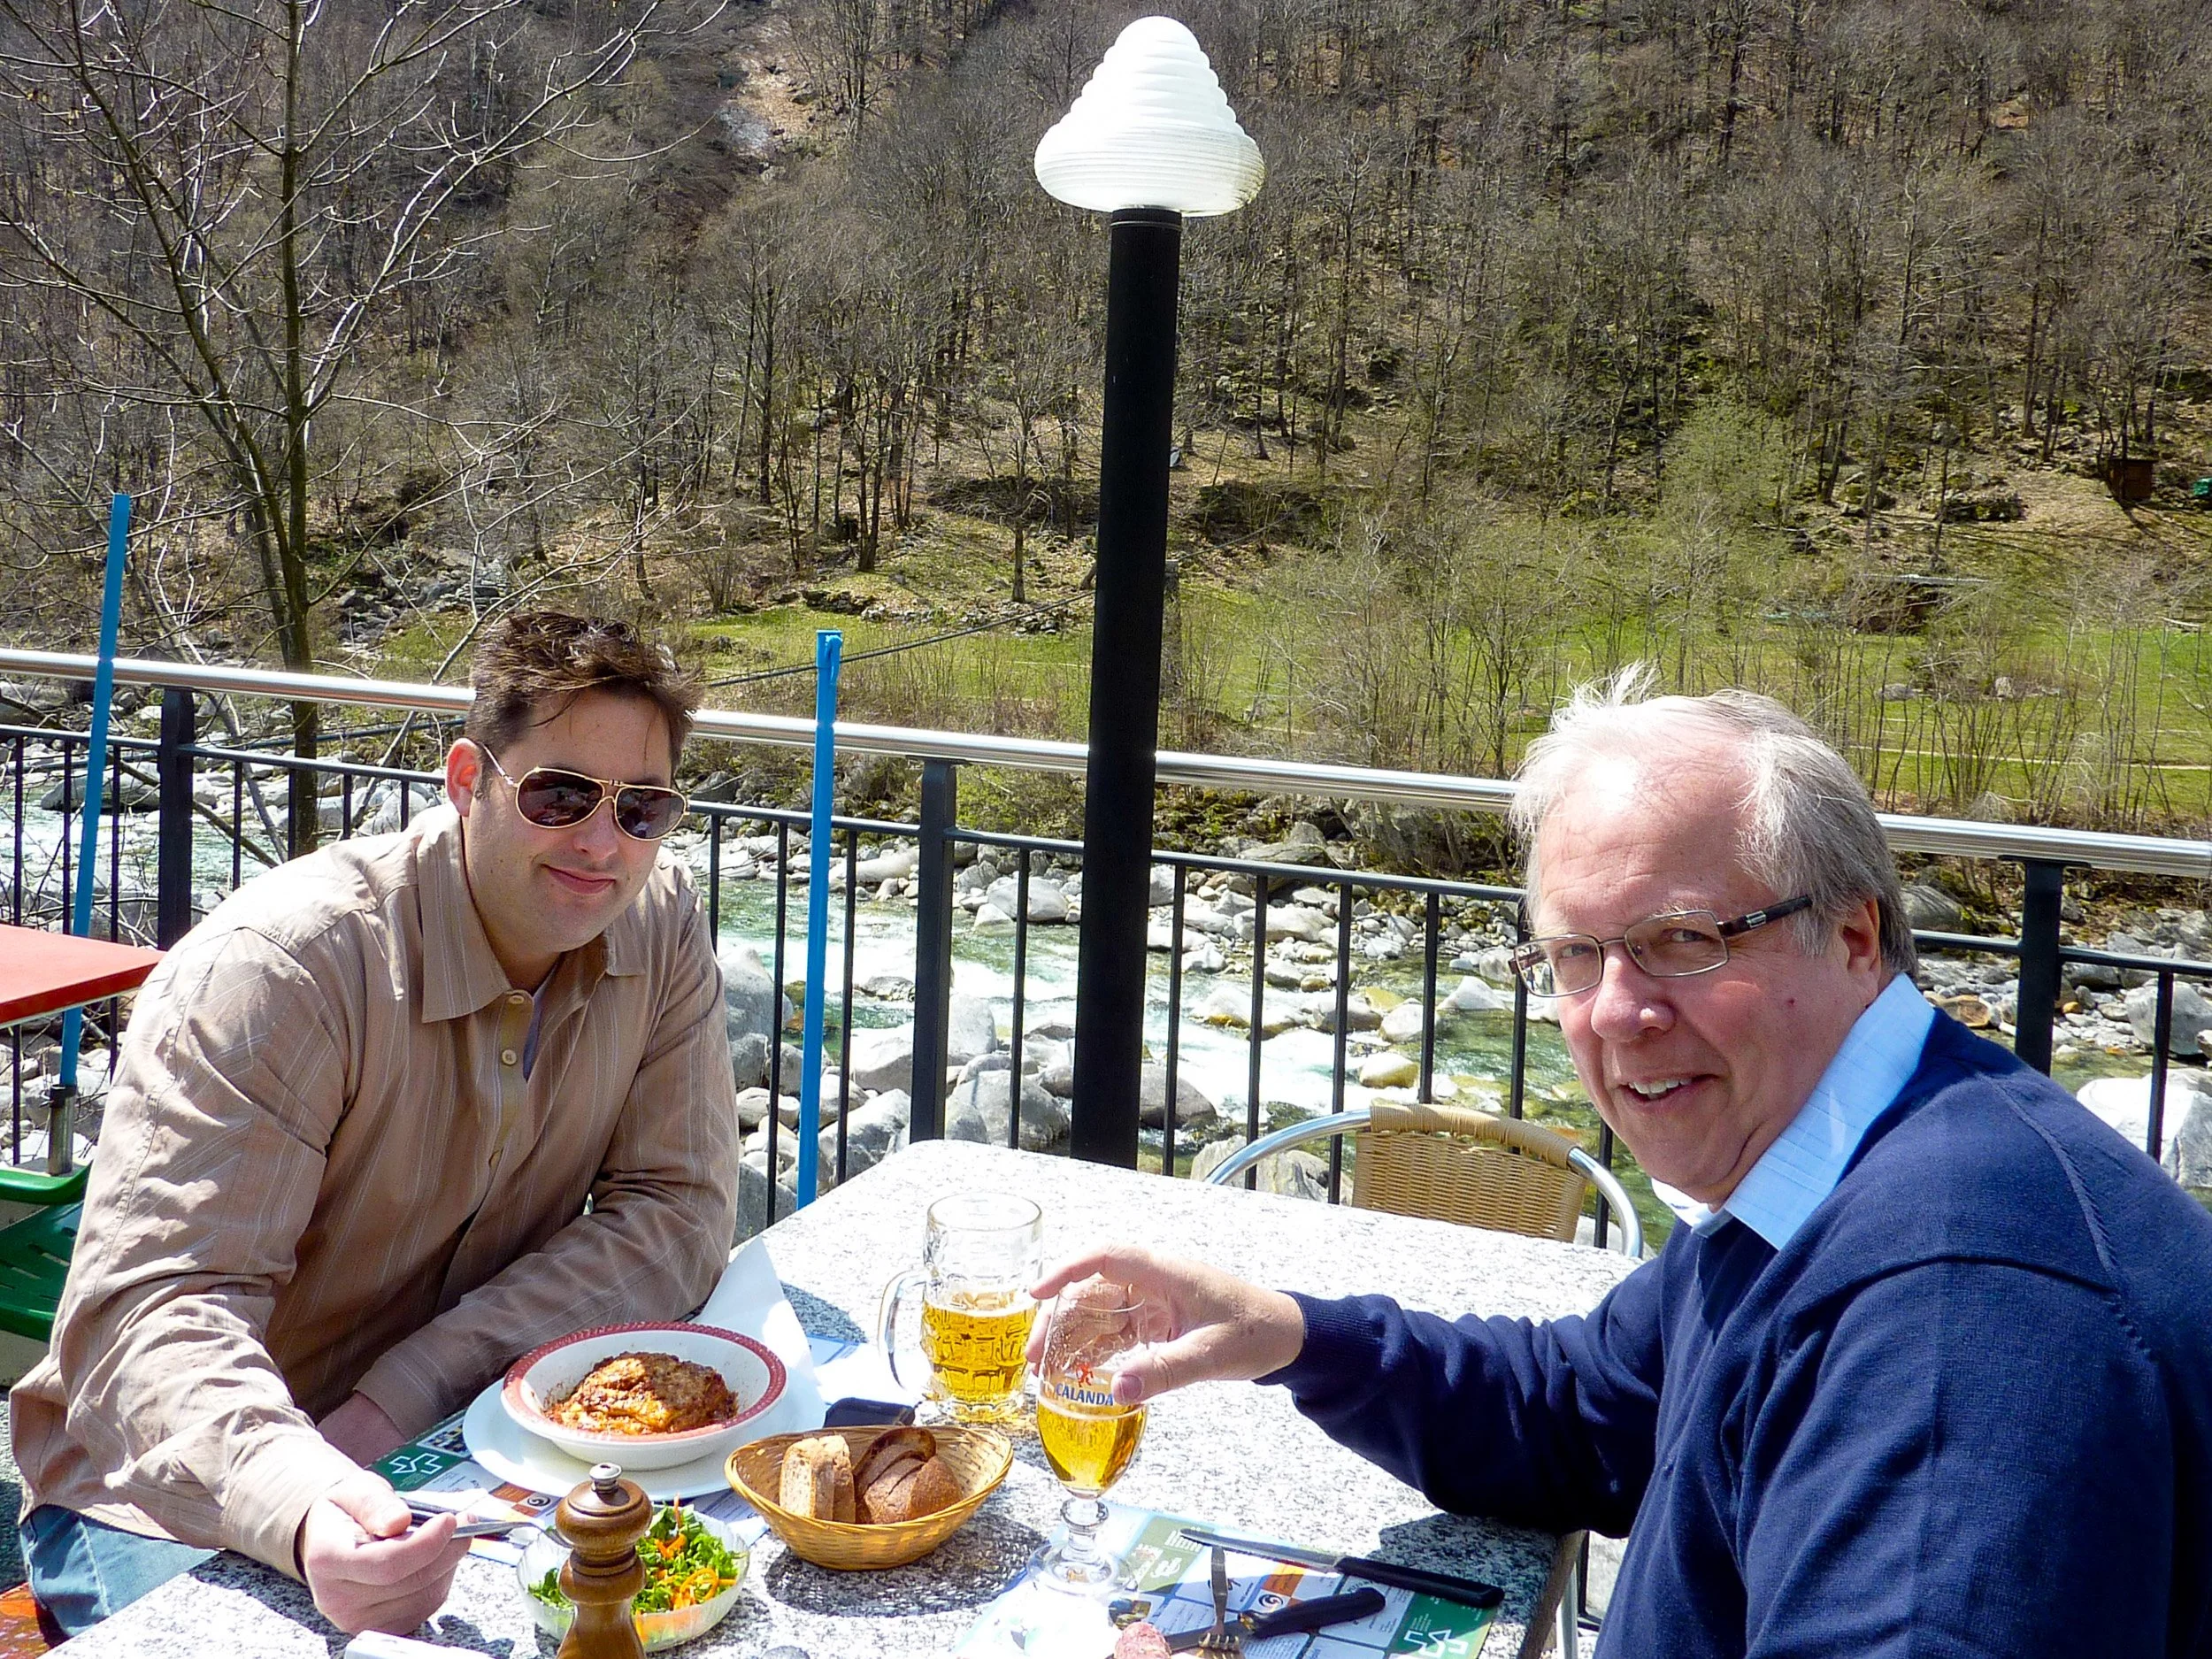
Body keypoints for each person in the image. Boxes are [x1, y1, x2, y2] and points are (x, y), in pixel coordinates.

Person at [1038, 672, 2212, 1657]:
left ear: (1853, 936)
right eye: (1576, 955)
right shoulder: (1822, 1171)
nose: (1616, 1010)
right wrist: (1285, 1329)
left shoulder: (1963, 1319)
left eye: (1682, 941)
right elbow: (1583, 1411)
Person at [12, 612, 741, 1639]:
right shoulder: (284, 969)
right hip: (172, 1490)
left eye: (642, 809)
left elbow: (678, 1207)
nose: (599, 841)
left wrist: (409, 1392)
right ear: (464, 778)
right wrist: (306, 1494)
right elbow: (154, 1314)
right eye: (561, 793)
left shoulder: (656, 924)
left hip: (463, 1438)